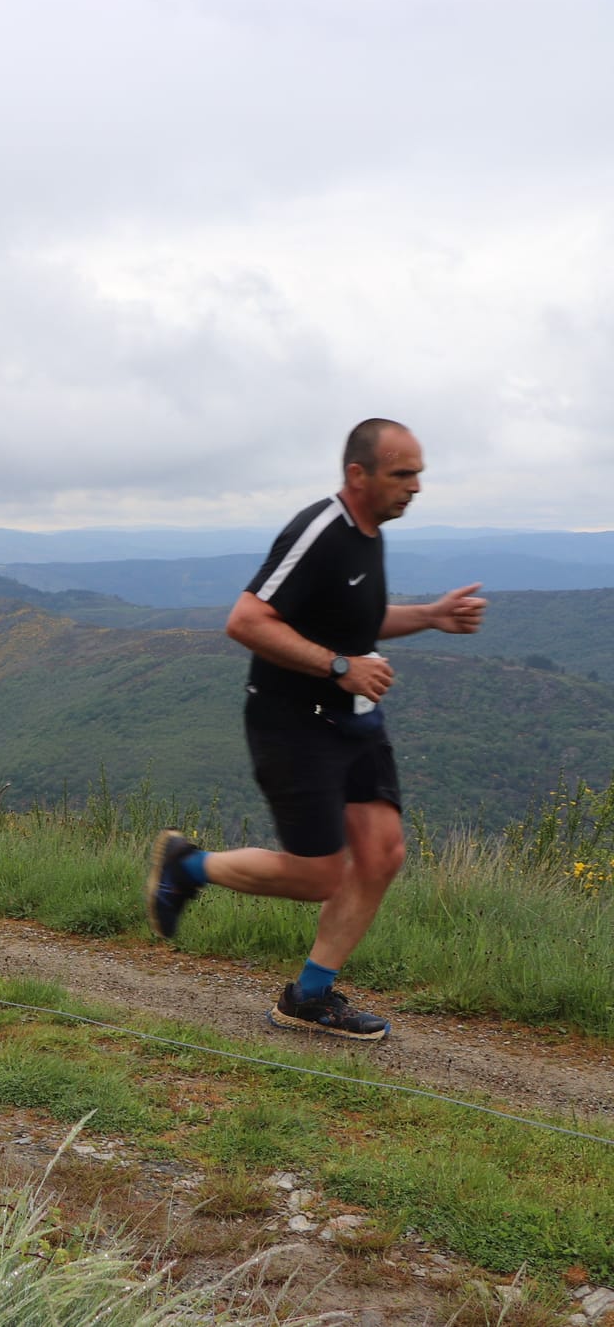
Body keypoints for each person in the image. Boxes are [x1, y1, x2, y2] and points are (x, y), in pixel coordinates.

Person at [145, 419, 486, 1040]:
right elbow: (246, 620)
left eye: (418, 474)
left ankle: (310, 995)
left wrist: (432, 616)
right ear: (359, 475)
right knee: (320, 875)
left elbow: (360, 615)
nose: (414, 487)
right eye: (401, 474)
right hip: (294, 723)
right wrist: (338, 667)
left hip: (354, 720)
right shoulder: (320, 530)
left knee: (382, 855)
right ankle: (187, 866)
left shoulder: (370, 532)